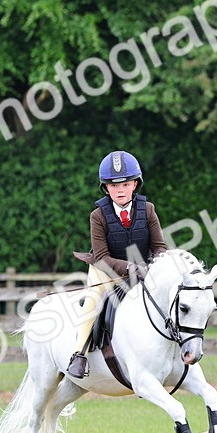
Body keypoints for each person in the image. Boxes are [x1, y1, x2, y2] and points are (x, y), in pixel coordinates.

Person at [66, 150, 168, 379]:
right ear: (106, 188)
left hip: (143, 268)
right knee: (93, 300)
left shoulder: (148, 209)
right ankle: (78, 354)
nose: (119, 190)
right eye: (113, 185)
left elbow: (160, 247)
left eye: (124, 184)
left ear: (135, 184)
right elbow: (101, 257)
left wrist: (155, 266)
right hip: (106, 271)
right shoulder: (98, 216)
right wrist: (131, 267)